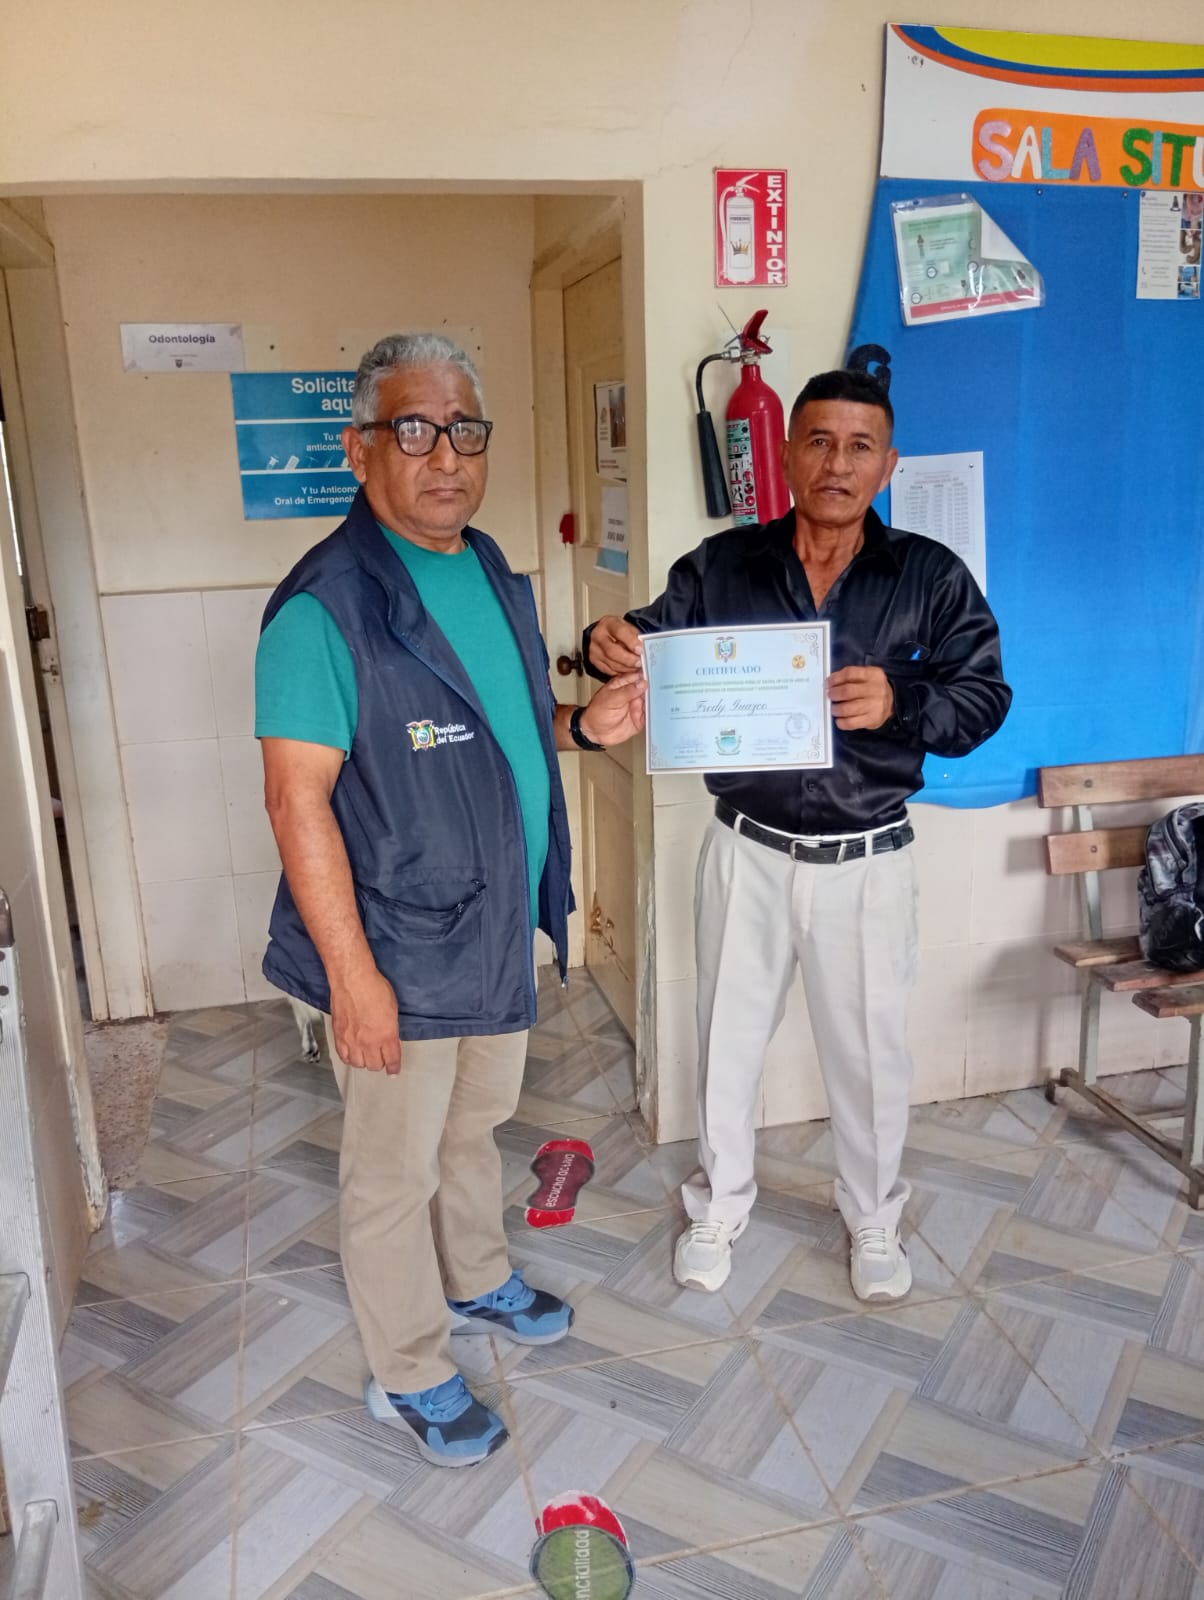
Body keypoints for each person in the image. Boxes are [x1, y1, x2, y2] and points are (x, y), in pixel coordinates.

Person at [255, 332, 644, 1467]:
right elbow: (295, 800)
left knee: (473, 1126)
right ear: (360, 448)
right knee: (390, 1173)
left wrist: (583, 728)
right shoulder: (323, 608)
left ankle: (474, 1276)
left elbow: (504, 730)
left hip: (493, 926)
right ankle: (409, 1367)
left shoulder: (485, 566)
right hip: (397, 946)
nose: (445, 456)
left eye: (464, 430)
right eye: (414, 429)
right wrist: (353, 980)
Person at [585, 363, 1010, 1303]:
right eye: (819, 441)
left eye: (860, 447)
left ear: (888, 465)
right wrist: (606, 640)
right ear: (786, 454)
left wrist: (902, 700)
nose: (837, 463)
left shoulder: (931, 576)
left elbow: (984, 699)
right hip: (746, 849)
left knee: (869, 1057)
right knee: (726, 1041)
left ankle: (873, 1216)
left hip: (868, 858)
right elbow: (651, 641)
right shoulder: (722, 566)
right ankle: (719, 1204)